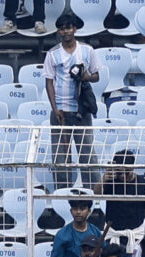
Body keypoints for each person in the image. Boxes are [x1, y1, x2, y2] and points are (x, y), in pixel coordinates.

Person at [44, 13, 101, 190]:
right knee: (60, 157)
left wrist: (86, 77)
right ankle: (63, 193)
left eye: (68, 27)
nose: (66, 31)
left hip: (81, 110)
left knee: (87, 155)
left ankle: (93, 195)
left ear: (75, 29)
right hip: (61, 110)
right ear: (59, 31)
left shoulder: (87, 50)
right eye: (62, 28)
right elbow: (49, 82)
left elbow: (97, 76)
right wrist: (55, 109)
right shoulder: (52, 54)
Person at [49, 193, 100, 257]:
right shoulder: (62, 234)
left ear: (89, 211)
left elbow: (103, 254)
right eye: (75, 209)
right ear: (71, 210)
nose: (78, 212)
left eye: (82, 209)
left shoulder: (95, 232)